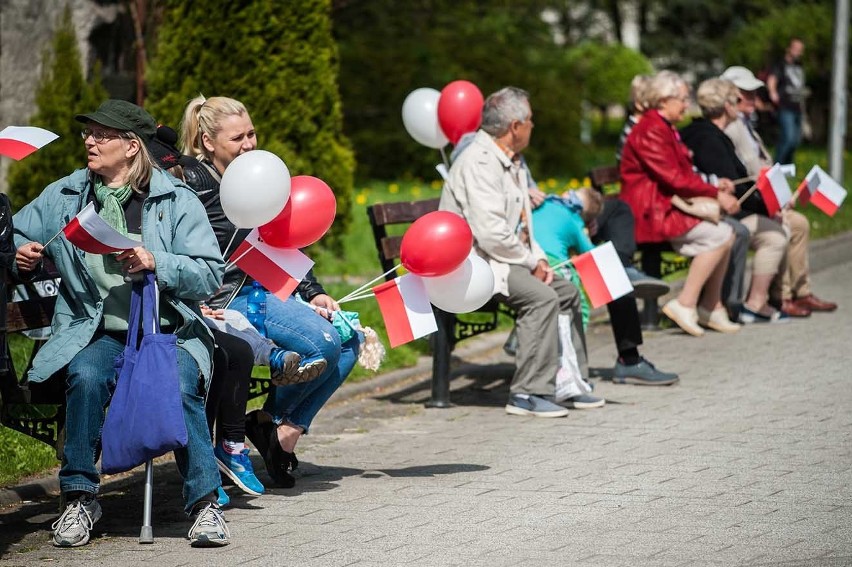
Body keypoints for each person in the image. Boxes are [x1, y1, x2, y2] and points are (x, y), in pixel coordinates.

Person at [13, 100, 230, 547]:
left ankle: (205, 505)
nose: (89, 142)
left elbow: (210, 273)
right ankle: (78, 498)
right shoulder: (68, 195)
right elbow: (15, 230)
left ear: (132, 147)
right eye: (88, 133)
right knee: (86, 375)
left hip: (165, 330)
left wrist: (158, 261)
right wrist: (22, 254)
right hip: (96, 331)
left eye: (101, 135)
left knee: (177, 382)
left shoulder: (175, 199)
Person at [179, 95, 361, 487]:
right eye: (237, 138)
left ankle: (279, 430)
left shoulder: (260, 174)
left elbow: (279, 238)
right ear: (208, 141)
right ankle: (264, 431)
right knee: (326, 343)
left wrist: (313, 291)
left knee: (350, 338)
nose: (249, 145)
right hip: (230, 298)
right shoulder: (195, 181)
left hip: (268, 287)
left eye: (251, 134)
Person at [440, 86, 590, 418]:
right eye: (530, 120)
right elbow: (491, 233)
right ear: (515, 127)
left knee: (566, 291)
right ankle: (527, 393)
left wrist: (538, 257)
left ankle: (572, 381)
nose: (533, 126)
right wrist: (530, 260)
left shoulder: (511, 160)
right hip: (474, 266)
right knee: (543, 298)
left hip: (503, 258)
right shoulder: (479, 163)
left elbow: (523, 223)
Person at [620, 71, 742, 337]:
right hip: (650, 212)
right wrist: (714, 193)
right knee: (722, 234)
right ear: (664, 101)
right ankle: (685, 303)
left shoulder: (663, 127)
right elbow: (673, 178)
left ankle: (711, 306)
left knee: (727, 234)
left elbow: (681, 174)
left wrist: (713, 185)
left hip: (661, 206)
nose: (687, 105)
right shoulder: (651, 130)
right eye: (683, 99)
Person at [532, 188, 679, 386]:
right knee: (607, 276)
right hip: (528, 237)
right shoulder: (572, 219)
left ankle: (622, 268)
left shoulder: (557, 204)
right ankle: (621, 273)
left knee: (617, 208)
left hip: (543, 221)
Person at [721, 65, 837, 316]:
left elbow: (763, 167)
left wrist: (784, 196)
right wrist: (773, 202)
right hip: (750, 205)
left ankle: (801, 291)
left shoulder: (745, 125)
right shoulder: (732, 129)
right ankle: (780, 296)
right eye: (746, 94)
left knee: (800, 223)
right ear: (730, 96)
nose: (753, 99)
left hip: (764, 199)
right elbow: (746, 175)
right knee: (786, 225)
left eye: (753, 94)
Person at [681, 78, 789, 323]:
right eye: (736, 100)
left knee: (776, 227)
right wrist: (768, 207)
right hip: (715, 211)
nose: (740, 105)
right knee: (773, 234)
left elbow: (737, 182)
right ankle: (740, 303)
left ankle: (750, 301)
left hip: (721, 207)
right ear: (727, 105)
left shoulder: (708, 134)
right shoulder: (709, 139)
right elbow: (735, 188)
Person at [766, 38, 807, 165]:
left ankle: (788, 169)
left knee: (795, 141)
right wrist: (773, 93)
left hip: (797, 107)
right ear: (789, 49)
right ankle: (776, 166)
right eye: (796, 48)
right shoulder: (780, 64)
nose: (798, 52)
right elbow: (772, 79)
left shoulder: (799, 66)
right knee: (788, 138)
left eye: (800, 50)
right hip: (785, 106)